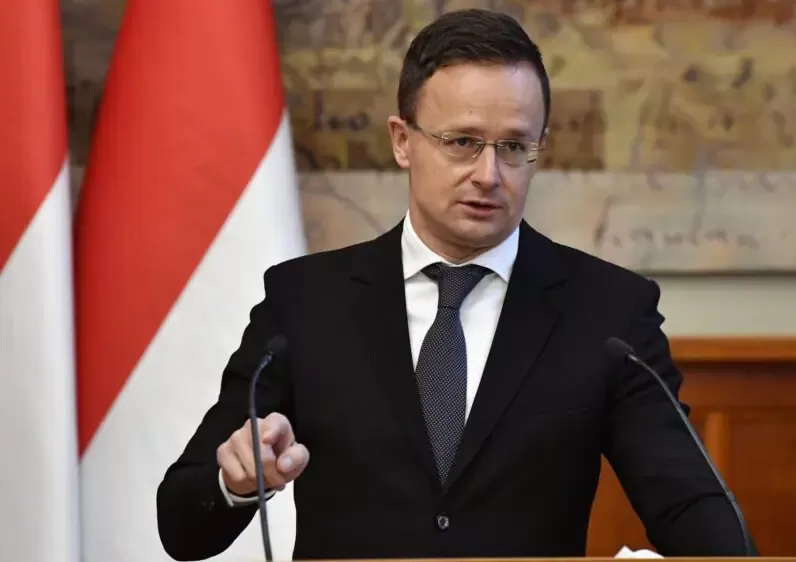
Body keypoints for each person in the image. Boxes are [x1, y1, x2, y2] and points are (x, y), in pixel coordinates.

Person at [156, 8, 757, 561]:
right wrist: (236, 482)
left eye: (515, 147)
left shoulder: (607, 314)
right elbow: (182, 525)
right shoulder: (307, 302)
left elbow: (690, 505)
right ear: (402, 141)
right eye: (463, 142)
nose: (489, 174)